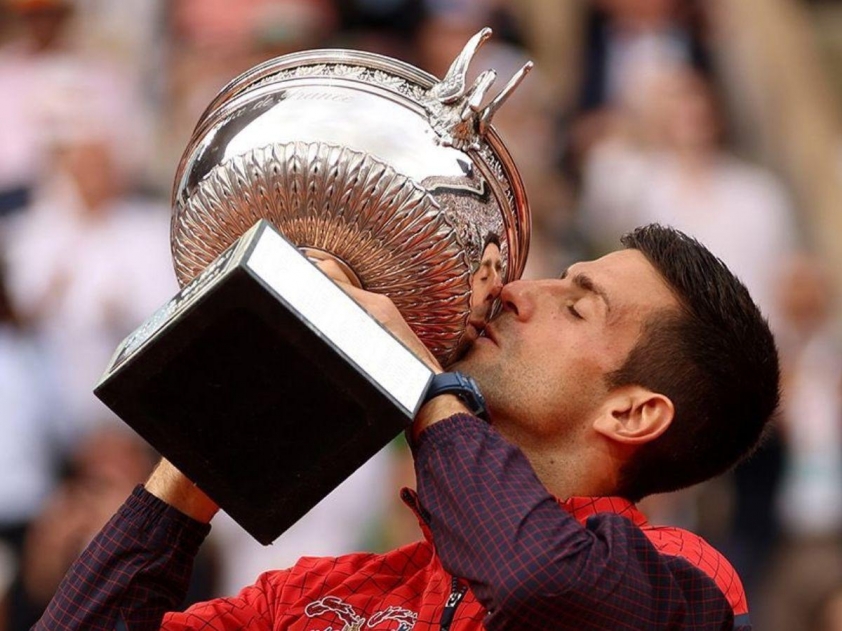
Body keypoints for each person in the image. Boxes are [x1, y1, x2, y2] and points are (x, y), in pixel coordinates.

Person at [35, 224, 778, 630]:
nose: (517, 291)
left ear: (633, 412)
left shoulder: (682, 586)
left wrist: (422, 385)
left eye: (576, 306)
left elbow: (538, 582)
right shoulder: (319, 595)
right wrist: (208, 451)